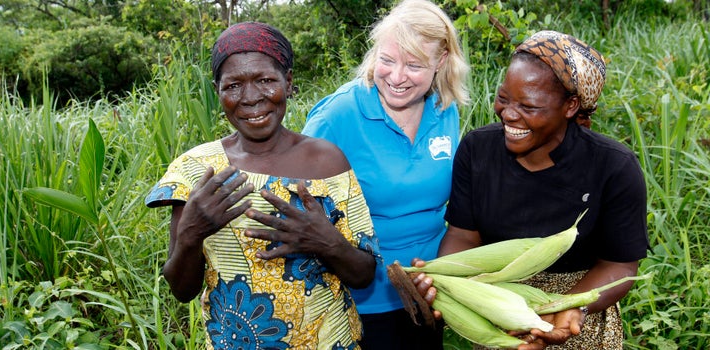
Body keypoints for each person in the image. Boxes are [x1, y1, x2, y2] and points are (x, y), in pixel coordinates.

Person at [145, 22, 381, 349]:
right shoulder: (197, 170)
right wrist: (191, 235)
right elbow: (182, 290)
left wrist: (325, 242)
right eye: (234, 85)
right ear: (218, 91)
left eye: (266, 80)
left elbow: (365, 274)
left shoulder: (326, 161)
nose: (251, 98)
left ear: (289, 82)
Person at [415, 30, 649, 350]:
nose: (509, 114)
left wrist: (563, 307)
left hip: (578, 312)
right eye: (504, 98)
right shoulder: (477, 150)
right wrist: (447, 281)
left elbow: (620, 265)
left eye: (529, 106)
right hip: (496, 304)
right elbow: (464, 235)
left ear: (570, 106)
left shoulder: (613, 166)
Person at [301, 0, 469, 348]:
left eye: (413, 65)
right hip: (361, 295)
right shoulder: (338, 116)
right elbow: (300, 202)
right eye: (387, 60)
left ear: (440, 62)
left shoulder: (444, 108)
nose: (396, 77)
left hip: (430, 286)